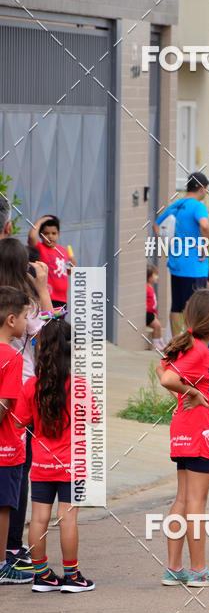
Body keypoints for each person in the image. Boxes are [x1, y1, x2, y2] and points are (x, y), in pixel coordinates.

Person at [156, 289, 209, 586]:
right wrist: (194, 393)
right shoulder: (200, 350)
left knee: (183, 499)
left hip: (186, 431)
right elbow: (167, 378)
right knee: (196, 503)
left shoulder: (186, 346)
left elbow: (160, 368)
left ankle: (175, 569)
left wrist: (190, 390)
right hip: (202, 432)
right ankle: (199, 570)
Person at [13, 315, 96, 592]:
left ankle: (41, 575)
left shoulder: (31, 386)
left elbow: (19, 421)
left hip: (41, 464)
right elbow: (93, 418)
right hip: (73, 463)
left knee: (38, 519)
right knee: (68, 518)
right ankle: (72, 576)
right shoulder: (80, 386)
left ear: (42, 349)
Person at [0, 238, 53, 569]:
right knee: (17, 468)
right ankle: (12, 546)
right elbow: (48, 337)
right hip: (21, 392)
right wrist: (44, 288)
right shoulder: (25, 306)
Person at [0, 287, 33, 585]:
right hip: (6, 449)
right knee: (4, 506)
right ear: (12, 320)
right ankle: (2, 564)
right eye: (25, 316)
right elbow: (5, 403)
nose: (27, 322)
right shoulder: (12, 357)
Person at [153, 172, 209, 336]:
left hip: (177, 263)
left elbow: (156, 226)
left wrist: (168, 244)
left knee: (177, 306)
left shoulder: (175, 205)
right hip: (194, 266)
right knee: (197, 306)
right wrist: (205, 247)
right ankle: (193, 342)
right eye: (206, 189)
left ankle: (176, 342)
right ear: (201, 188)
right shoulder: (198, 206)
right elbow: (205, 226)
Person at [28, 215, 73, 308]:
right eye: (46, 233)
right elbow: (32, 237)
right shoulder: (40, 248)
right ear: (40, 235)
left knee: (59, 322)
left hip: (62, 299)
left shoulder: (63, 251)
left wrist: (72, 264)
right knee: (47, 321)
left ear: (58, 234)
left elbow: (69, 271)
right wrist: (41, 221)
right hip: (47, 297)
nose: (50, 236)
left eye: (53, 233)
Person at [146, 265, 164, 350]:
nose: (157, 277)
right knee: (157, 326)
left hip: (152, 312)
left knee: (159, 326)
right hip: (148, 313)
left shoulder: (150, 288)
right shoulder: (146, 288)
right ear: (149, 277)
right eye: (155, 275)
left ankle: (160, 342)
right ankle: (156, 343)